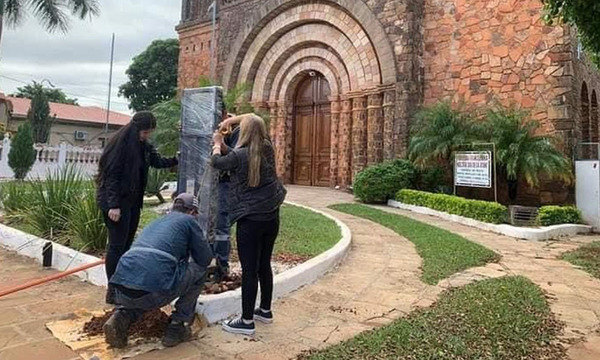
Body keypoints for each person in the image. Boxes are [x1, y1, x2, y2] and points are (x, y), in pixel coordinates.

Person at [103, 193, 213, 348]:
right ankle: (177, 325)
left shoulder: (157, 222)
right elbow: (205, 259)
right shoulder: (189, 221)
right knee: (200, 271)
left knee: (143, 289)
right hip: (153, 292)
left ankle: (122, 315)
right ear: (192, 212)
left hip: (121, 291)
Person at [211, 113, 286, 336]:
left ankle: (246, 321)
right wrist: (232, 124)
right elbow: (236, 153)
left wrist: (217, 143)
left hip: (250, 220)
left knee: (249, 270)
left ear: (243, 132)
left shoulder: (240, 156)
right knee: (264, 264)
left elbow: (217, 162)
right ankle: (265, 310)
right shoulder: (267, 148)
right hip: (271, 217)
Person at [96, 111, 178, 305]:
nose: (147, 135)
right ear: (137, 129)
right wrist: (113, 206)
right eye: (145, 132)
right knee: (116, 246)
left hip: (133, 202)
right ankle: (112, 289)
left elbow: (157, 162)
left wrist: (176, 159)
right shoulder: (120, 147)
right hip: (117, 204)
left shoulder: (143, 147)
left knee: (126, 245)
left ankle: (122, 285)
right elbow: (111, 177)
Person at [213, 111, 240, 279]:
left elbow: (238, 158)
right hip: (210, 183)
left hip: (226, 183)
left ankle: (221, 265)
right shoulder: (212, 128)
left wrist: (220, 145)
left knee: (222, 224)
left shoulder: (236, 129)